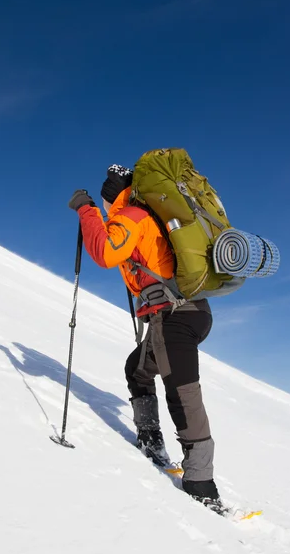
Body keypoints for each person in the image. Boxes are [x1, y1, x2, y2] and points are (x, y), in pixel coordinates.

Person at [68, 164, 222, 510]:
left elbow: (106, 252)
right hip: (188, 313)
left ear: (110, 196)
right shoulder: (149, 216)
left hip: (174, 315)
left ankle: (201, 482)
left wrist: (85, 210)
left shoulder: (132, 215)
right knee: (137, 369)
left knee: (182, 393)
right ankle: (151, 438)